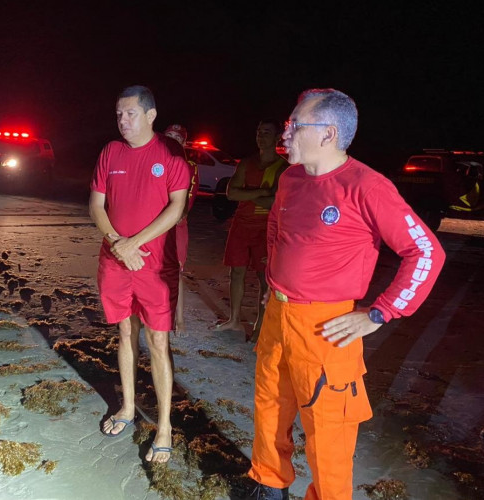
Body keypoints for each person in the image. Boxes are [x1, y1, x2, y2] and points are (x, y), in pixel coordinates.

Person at [248, 89, 445, 500]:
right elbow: (277, 232)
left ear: (328, 133)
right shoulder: (290, 177)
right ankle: (269, 485)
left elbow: (425, 251)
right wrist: (273, 283)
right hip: (278, 318)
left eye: (295, 125)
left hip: (326, 330)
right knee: (270, 405)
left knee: (329, 431)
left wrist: (380, 312)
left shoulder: (367, 187)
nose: (286, 134)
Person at [89, 86, 190, 463]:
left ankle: (164, 425)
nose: (122, 121)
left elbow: (176, 207)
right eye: (118, 114)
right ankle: (128, 408)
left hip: (154, 263)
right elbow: (97, 204)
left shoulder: (170, 152)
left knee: (159, 342)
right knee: (125, 332)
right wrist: (117, 242)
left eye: (130, 114)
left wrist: (135, 244)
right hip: (115, 259)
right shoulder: (110, 152)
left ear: (151, 115)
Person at [212, 120, 287, 341]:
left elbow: (274, 202)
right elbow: (231, 193)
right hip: (241, 225)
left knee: (264, 279)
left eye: (267, 132)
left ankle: (259, 326)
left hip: (266, 228)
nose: (261, 136)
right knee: (236, 272)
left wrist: (247, 192)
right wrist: (258, 194)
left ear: (277, 138)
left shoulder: (283, 168)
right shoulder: (246, 163)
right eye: (258, 131)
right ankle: (234, 320)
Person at [163, 124, 199, 336]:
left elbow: (185, 205)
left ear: (184, 143)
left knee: (177, 272)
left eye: (177, 137)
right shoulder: (154, 161)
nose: (173, 140)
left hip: (176, 226)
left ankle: (179, 320)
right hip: (153, 226)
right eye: (169, 136)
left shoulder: (190, 166)